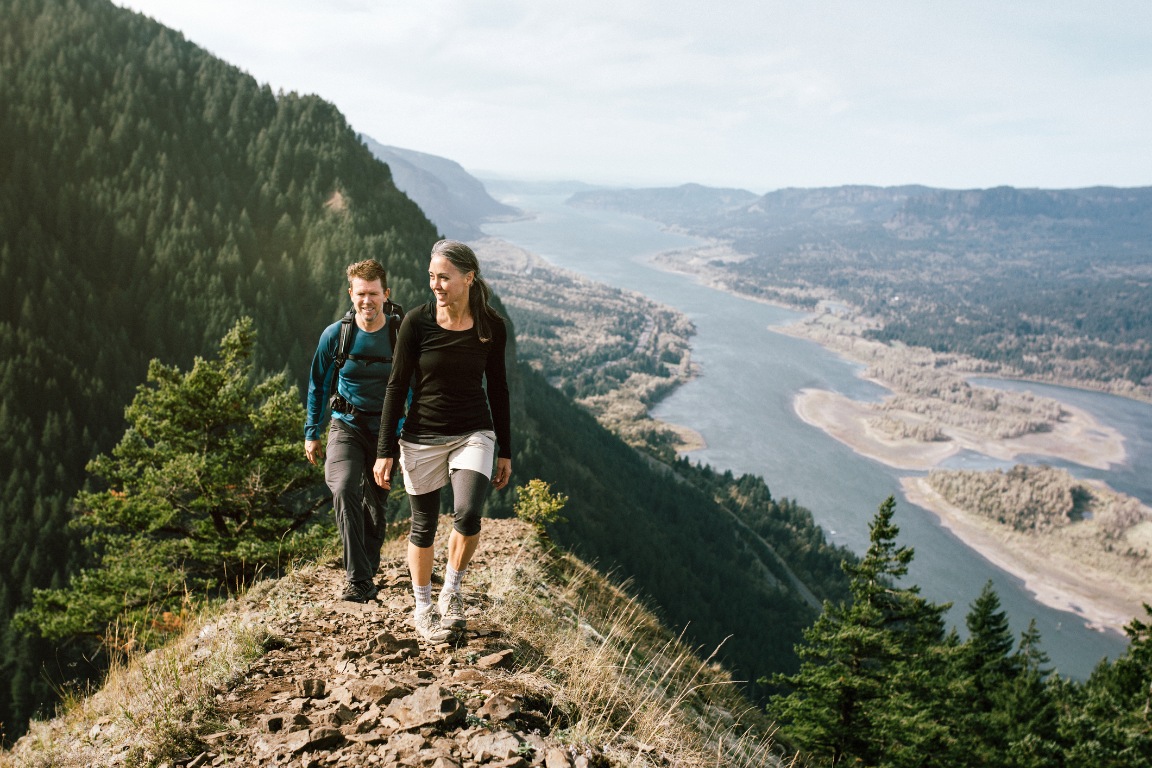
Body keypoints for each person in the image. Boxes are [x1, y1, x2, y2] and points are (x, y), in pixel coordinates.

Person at [372, 239, 512, 643]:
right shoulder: (416, 323)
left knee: (467, 514)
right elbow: (397, 387)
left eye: (444, 277)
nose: (436, 284)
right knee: (424, 526)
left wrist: (505, 448)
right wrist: (384, 450)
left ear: (468, 278)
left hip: (474, 432)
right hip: (421, 437)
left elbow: (498, 388)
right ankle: (423, 607)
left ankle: (452, 589)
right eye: (431, 276)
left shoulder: (490, 326)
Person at [305, 259, 403, 603]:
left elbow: (415, 388)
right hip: (345, 426)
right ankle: (358, 580)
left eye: (373, 294)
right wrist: (311, 431)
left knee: (376, 505)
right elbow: (318, 383)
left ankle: (367, 565)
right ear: (351, 294)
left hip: (386, 431)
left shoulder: (399, 335)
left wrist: (397, 437)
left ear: (385, 294)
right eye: (361, 294)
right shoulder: (336, 335)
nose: (367, 301)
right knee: (344, 487)